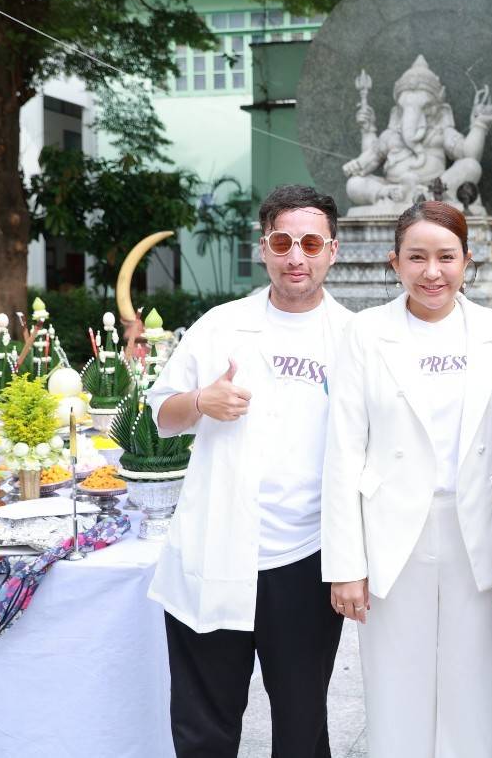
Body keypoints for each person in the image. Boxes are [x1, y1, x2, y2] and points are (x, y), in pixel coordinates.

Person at [146, 185, 352, 757]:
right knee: (204, 728)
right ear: (263, 248)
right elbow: (160, 414)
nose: (296, 257)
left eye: (311, 243)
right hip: (215, 548)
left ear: (332, 251)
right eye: (282, 242)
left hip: (306, 559)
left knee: (302, 727)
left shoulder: (354, 337)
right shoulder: (221, 325)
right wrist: (200, 401)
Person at [322, 201, 492, 757]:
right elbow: (344, 452)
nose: (432, 272)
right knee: (395, 686)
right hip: (392, 534)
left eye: (446, 257)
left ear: (467, 261)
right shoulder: (366, 333)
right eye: (417, 257)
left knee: (477, 687)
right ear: (395, 262)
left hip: (477, 532)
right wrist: (345, 565)